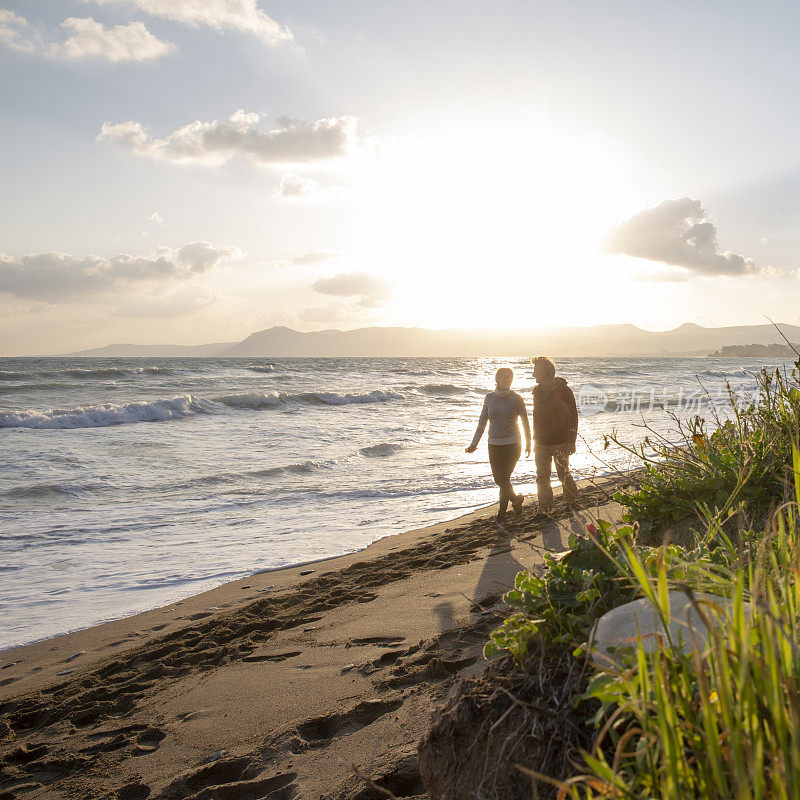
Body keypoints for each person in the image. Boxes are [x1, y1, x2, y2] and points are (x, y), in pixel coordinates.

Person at [465, 367, 531, 521]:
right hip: (493, 444)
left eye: (510, 377)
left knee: (503, 478)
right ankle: (515, 500)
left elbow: (525, 422)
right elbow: (482, 423)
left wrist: (529, 443)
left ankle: (502, 513)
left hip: (513, 443)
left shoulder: (517, 398)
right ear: (497, 379)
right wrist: (473, 443)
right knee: (499, 479)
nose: (507, 380)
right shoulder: (489, 398)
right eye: (504, 377)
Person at [531, 356, 578, 513]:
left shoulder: (564, 391)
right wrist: (533, 437)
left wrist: (572, 440)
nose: (533, 374)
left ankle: (571, 501)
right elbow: (536, 415)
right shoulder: (536, 391)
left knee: (563, 474)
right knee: (542, 477)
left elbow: (573, 416)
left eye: (535, 370)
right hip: (540, 442)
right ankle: (545, 508)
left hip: (560, 441)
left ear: (545, 371)